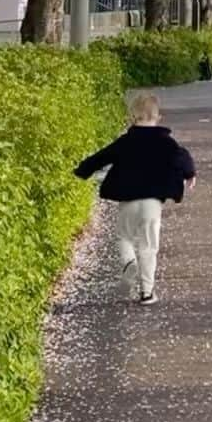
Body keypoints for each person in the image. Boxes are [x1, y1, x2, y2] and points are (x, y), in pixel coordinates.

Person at [74, 89, 196, 305]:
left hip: (128, 201)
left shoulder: (124, 142)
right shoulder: (167, 143)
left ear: (132, 117)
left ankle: (129, 264)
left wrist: (82, 171)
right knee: (149, 247)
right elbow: (183, 158)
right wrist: (190, 174)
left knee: (124, 237)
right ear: (158, 118)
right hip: (153, 203)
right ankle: (147, 293)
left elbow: (100, 157)